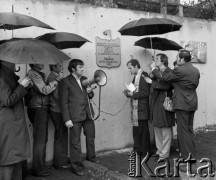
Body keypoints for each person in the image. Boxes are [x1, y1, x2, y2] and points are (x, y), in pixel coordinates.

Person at [149, 49, 200, 161]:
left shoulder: (179, 70)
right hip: (192, 102)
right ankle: (191, 155)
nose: (176, 59)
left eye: (177, 57)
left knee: (182, 131)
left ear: (182, 59)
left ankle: (187, 157)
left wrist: (153, 69)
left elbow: (164, 78)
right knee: (189, 130)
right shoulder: (195, 70)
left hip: (182, 104)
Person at [59, 59, 98, 176]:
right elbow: (63, 102)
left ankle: (91, 157)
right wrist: (67, 119)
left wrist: (90, 92)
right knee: (75, 142)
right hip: (74, 116)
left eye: (83, 67)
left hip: (87, 113)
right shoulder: (65, 82)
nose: (82, 69)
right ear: (73, 69)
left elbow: (89, 95)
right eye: (80, 67)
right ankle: (76, 166)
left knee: (91, 136)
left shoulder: (84, 79)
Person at [25, 64, 63, 177]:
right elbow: (45, 90)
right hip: (38, 108)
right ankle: (38, 169)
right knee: (40, 140)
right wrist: (56, 80)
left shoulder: (38, 74)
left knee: (42, 139)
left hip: (40, 107)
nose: (43, 63)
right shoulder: (33, 73)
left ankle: (40, 166)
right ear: (34, 62)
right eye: (40, 61)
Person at [0, 61, 31, 180]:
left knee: (16, 159)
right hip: (8, 124)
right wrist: (22, 86)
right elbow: (8, 100)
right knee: (9, 159)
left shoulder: (8, 75)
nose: (14, 63)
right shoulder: (1, 76)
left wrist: (25, 86)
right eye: (11, 60)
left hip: (14, 123)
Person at [144, 54, 175, 160]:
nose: (155, 60)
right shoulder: (158, 72)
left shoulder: (168, 71)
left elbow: (166, 85)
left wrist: (152, 78)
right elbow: (155, 80)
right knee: (157, 127)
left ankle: (165, 153)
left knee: (165, 128)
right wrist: (151, 73)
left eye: (157, 59)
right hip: (156, 102)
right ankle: (159, 150)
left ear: (163, 61)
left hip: (164, 103)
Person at [124, 59, 151, 157]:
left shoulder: (144, 75)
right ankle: (137, 149)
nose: (129, 70)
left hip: (142, 109)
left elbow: (146, 93)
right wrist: (128, 93)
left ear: (136, 66)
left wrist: (133, 94)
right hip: (136, 109)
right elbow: (133, 90)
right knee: (136, 130)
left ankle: (145, 151)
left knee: (143, 131)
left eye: (130, 68)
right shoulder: (135, 77)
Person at [47, 63, 70, 168]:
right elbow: (57, 95)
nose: (62, 67)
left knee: (60, 135)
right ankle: (61, 162)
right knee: (61, 136)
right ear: (53, 67)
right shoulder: (54, 77)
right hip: (58, 110)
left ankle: (61, 160)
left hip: (55, 109)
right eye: (59, 66)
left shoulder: (54, 76)